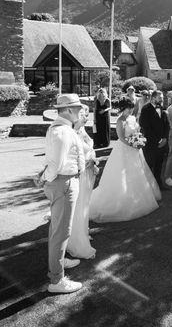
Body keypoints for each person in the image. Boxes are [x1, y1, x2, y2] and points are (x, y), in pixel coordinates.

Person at [90, 97, 161, 222]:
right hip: (124, 149)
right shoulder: (120, 121)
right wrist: (133, 145)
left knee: (138, 173)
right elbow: (122, 138)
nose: (131, 110)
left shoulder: (132, 118)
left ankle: (138, 198)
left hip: (135, 150)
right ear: (123, 108)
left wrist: (139, 139)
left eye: (132, 107)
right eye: (129, 108)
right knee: (123, 175)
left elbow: (138, 131)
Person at [41, 93, 85, 294]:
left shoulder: (63, 129)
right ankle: (57, 280)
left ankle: (58, 263)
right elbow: (56, 164)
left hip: (63, 181)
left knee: (57, 228)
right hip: (64, 183)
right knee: (62, 231)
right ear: (67, 110)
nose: (80, 110)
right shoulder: (62, 132)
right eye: (77, 108)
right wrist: (46, 178)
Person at [67, 104, 99, 259]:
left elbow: (89, 150)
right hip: (79, 175)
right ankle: (77, 242)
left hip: (88, 173)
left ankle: (83, 232)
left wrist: (93, 160)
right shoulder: (71, 133)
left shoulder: (82, 130)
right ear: (77, 116)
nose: (87, 118)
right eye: (85, 115)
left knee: (85, 205)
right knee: (78, 206)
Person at [140, 90, 170, 190]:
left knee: (159, 165)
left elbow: (167, 125)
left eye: (162, 98)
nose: (162, 99)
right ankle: (147, 188)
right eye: (160, 98)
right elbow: (145, 128)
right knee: (149, 166)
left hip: (162, 143)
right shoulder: (146, 109)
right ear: (153, 98)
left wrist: (165, 138)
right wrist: (158, 140)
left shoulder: (162, 108)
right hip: (151, 144)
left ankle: (158, 184)